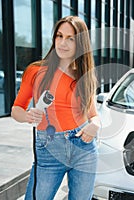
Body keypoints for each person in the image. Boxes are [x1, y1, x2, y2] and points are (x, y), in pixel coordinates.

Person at [11, 16, 100, 200]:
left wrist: (95, 126)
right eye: (59, 36)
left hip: (84, 148)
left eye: (70, 38)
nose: (63, 43)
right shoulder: (36, 71)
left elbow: (94, 116)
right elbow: (16, 110)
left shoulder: (84, 76)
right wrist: (28, 115)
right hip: (49, 149)